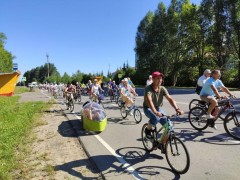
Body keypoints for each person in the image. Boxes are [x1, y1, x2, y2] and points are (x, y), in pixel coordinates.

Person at [143, 71, 184, 146]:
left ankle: (161, 143)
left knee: (169, 126)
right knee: (156, 118)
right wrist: (155, 112)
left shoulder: (162, 88)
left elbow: (170, 99)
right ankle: (147, 130)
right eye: (158, 78)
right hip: (148, 108)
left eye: (161, 78)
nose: (160, 80)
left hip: (157, 108)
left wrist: (177, 109)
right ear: (153, 79)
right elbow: (149, 100)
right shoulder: (148, 88)